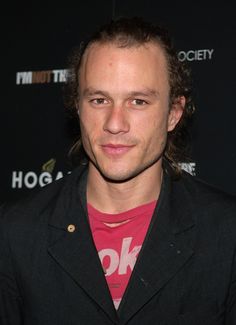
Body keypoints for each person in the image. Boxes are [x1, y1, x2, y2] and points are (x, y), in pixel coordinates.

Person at [1, 16, 236, 325]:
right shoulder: (16, 232)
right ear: (78, 108)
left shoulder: (226, 234)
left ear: (173, 114)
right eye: (99, 100)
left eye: (138, 101)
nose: (114, 124)